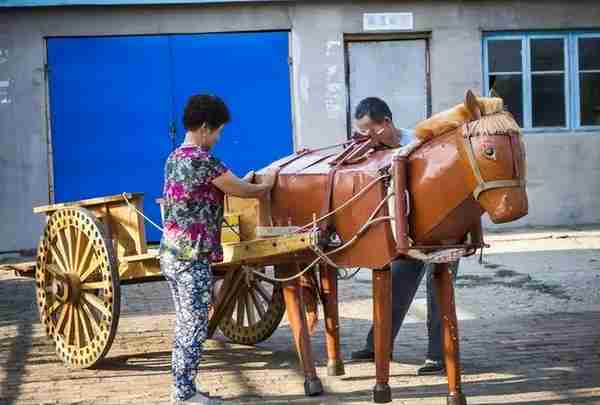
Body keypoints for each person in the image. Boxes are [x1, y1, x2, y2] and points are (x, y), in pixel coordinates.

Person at [160, 94, 279, 404]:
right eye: (218, 131)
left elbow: (222, 186)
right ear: (204, 127)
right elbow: (242, 189)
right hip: (191, 259)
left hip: (171, 254)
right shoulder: (203, 159)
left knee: (185, 323)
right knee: (194, 327)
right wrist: (267, 185)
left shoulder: (174, 157)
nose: (218, 137)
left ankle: (183, 389)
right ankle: (184, 396)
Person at [349, 97, 460, 375]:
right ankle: (377, 346)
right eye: (360, 131)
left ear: (385, 123)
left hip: (441, 230)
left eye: (368, 129)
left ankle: (439, 356)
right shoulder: (371, 149)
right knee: (395, 287)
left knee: (439, 291)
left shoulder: (422, 142)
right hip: (406, 232)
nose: (365, 135)